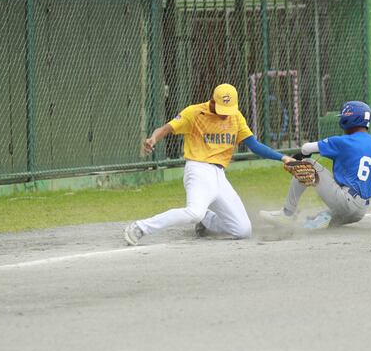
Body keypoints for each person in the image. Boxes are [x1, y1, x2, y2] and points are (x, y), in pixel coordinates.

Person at [124, 83, 294, 246]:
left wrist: (283, 157)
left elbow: (254, 145)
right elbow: (166, 128)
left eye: (228, 110)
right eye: (222, 109)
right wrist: (153, 138)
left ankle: (207, 219)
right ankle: (140, 227)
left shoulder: (235, 117)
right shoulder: (195, 112)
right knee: (193, 212)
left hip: (220, 176)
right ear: (213, 101)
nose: (225, 114)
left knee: (243, 230)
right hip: (199, 169)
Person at [260, 100, 371, 230]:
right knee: (314, 220)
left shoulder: (343, 141)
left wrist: (297, 159)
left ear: (349, 119)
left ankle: (287, 214)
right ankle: (316, 220)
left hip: (345, 201)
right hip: (359, 212)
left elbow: (306, 148)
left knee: (307, 163)